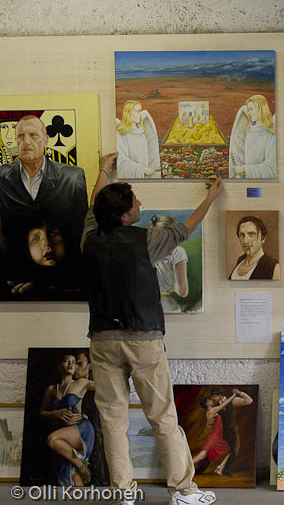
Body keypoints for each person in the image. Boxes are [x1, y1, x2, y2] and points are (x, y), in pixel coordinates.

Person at [81, 152, 222, 505]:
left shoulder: (89, 236)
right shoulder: (148, 240)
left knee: (113, 421)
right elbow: (188, 227)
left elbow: (94, 204)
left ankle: (123, 494)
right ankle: (183, 490)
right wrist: (211, 197)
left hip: (102, 340)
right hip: (144, 340)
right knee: (162, 417)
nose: (140, 203)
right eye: (134, 202)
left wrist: (104, 169)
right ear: (125, 214)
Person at [0, 115, 87, 299]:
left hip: (64, 283)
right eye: (21, 136)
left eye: (33, 135)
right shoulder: (2, 179)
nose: (26, 141)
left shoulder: (72, 178)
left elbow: (78, 234)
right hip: (12, 282)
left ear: (46, 139)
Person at [38, 353, 95, 487]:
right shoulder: (52, 389)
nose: (70, 364)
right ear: (59, 366)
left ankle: (81, 466)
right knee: (70, 474)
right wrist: (55, 413)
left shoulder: (82, 383)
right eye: (66, 361)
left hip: (81, 428)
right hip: (62, 431)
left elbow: (106, 385)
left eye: (74, 362)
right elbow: (41, 413)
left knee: (53, 440)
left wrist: (90, 368)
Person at [193, 388, 252, 476]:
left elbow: (249, 400)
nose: (212, 399)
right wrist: (234, 395)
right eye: (210, 399)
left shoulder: (218, 407)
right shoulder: (213, 409)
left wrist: (239, 393)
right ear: (206, 404)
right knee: (205, 454)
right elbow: (211, 420)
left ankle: (220, 468)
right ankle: (188, 467)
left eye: (213, 397)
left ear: (219, 396)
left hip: (227, 432)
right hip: (218, 435)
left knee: (230, 450)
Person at [73, 350, 109, 486]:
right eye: (74, 364)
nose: (75, 368)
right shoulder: (74, 383)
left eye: (80, 364)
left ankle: (103, 480)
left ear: (90, 365)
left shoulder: (92, 386)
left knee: (99, 438)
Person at [229, 94, 276, 179]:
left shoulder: (270, 134)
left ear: (261, 109)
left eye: (251, 109)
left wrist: (244, 169)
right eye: (248, 110)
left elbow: (272, 167)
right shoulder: (249, 130)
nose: (249, 113)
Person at [149, 215, 189, 312]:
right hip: (168, 306)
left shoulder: (146, 250)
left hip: (147, 306)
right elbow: (182, 291)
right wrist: (168, 283)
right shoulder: (177, 252)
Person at [116, 100, 161, 179]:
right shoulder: (121, 134)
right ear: (129, 113)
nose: (140, 114)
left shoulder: (142, 132)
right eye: (137, 111)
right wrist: (141, 169)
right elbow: (121, 160)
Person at [229, 215, 279, 280]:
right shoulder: (240, 260)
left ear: (263, 238)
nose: (245, 241)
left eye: (251, 234)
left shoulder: (273, 267)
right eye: (242, 235)